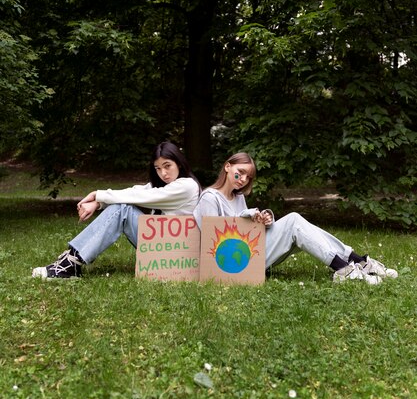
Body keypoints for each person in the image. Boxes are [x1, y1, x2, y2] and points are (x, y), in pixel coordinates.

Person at [193, 152, 398, 284]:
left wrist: (263, 220)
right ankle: (344, 268)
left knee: (295, 221)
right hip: (233, 264)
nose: (243, 180)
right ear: (227, 167)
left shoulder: (237, 197)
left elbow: (245, 229)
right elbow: (214, 242)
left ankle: (357, 261)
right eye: (240, 173)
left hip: (247, 251)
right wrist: (246, 216)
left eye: (248, 177)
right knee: (293, 222)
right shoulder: (210, 198)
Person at [32, 142, 201, 279]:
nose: (163, 173)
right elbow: (136, 191)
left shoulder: (186, 186)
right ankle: (71, 260)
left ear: (178, 163)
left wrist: (97, 195)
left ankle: (70, 263)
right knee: (123, 207)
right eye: (157, 168)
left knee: (125, 209)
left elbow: (139, 197)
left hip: (176, 255)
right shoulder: (165, 186)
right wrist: (98, 203)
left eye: (167, 166)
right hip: (163, 248)